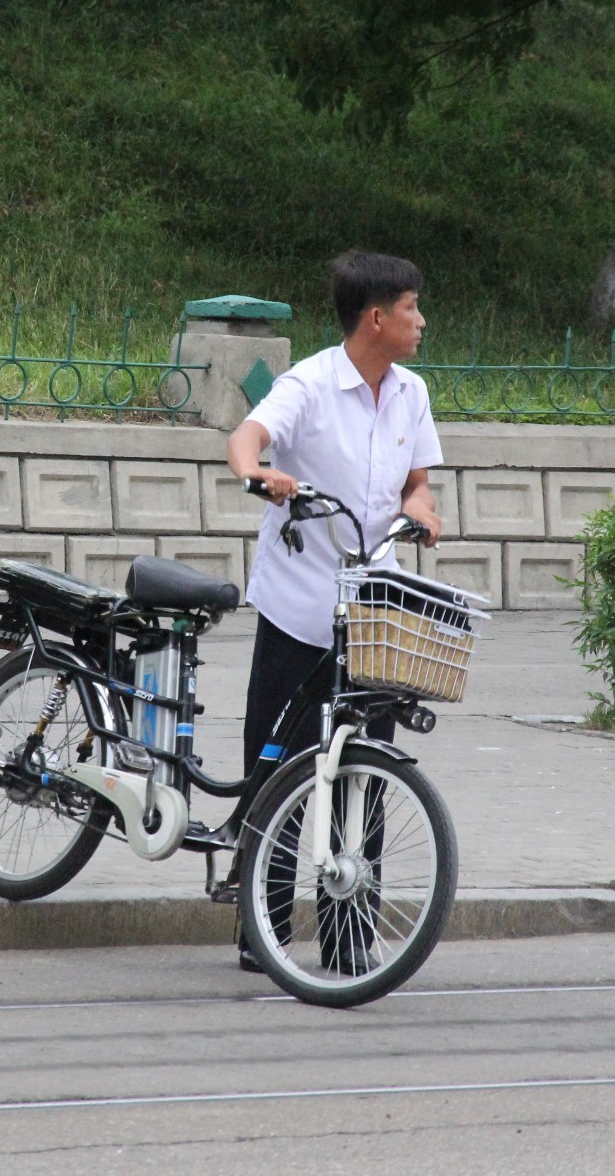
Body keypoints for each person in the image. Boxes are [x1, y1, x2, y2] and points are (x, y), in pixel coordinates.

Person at [223, 249, 444, 968]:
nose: (420, 320)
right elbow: (246, 438)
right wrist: (259, 473)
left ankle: (352, 933)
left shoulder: (410, 391)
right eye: (411, 308)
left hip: (371, 609)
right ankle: (265, 925)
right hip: (298, 602)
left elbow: (417, 481)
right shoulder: (310, 384)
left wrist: (421, 507)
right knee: (277, 760)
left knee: (365, 767)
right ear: (376, 317)